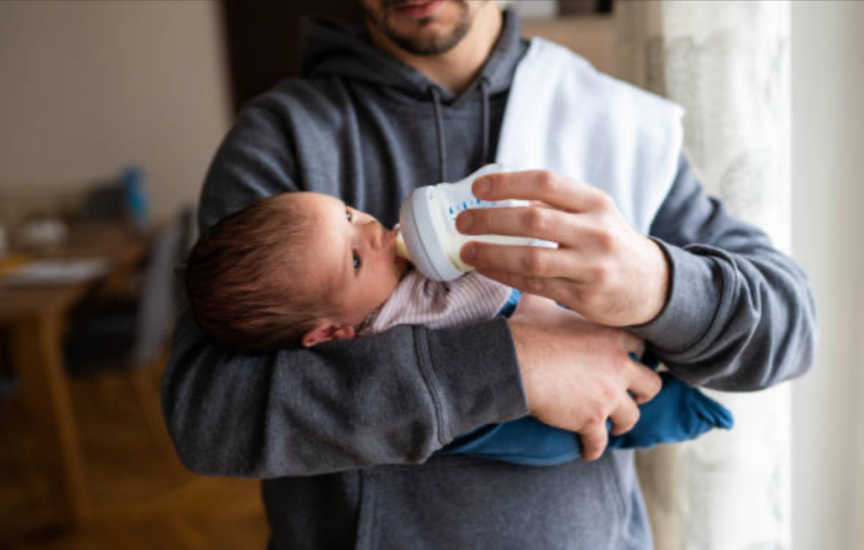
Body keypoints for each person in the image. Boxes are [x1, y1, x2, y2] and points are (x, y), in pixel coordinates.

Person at [162, 2, 816, 548]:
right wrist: (511, 365)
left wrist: (656, 284)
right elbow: (207, 416)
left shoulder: (612, 122)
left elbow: (790, 330)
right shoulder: (283, 141)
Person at [182, 190, 733, 466]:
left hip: (580, 323)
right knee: (582, 430)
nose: (374, 232)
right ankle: (678, 414)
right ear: (329, 335)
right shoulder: (385, 336)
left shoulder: (393, 259)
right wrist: (522, 363)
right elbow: (206, 419)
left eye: (349, 213)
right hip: (512, 425)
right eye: (353, 260)